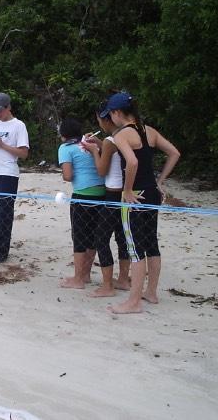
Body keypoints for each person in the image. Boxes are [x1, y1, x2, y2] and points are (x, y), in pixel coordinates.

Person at [101, 92, 180, 314]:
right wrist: (159, 181)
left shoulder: (122, 135)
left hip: (135, 195)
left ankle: (133, 301)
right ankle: (151, 292)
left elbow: (132, 162)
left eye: (111, 114)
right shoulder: (149, 131)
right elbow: (174, 153)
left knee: (135, 248)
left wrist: (126, 190)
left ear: (117, 113)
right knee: (151, 243)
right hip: (152, 193)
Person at [82, 108, 131, 295]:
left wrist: (95, 151)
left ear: (106, 120)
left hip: (112, 194)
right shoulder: (126, 136)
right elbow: (114, 154)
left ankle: (107, 285)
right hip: (124, 194)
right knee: (121, 237)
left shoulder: (112, 140)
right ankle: (123, 280)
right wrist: (99, 144)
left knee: (101, 238)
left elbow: (102, 170)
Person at [57, 118, 109, 292]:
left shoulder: (65, 148)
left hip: (83, 195)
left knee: (79, 237)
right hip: (102, 194)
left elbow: (68, 176)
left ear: (63, 135)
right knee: (93, 237)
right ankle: (85, 274)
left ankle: (78, 278)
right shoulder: (90, 144)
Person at [0, 92, 29, 264]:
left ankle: (2, 251)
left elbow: (24, 153)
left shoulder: (18, 126)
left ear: (8, 107)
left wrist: (3, 145)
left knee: (2, 213)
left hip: (8, 173)